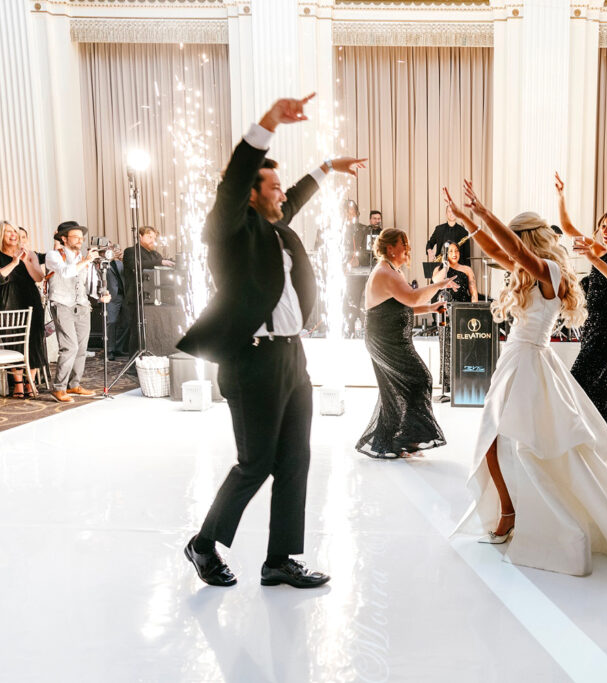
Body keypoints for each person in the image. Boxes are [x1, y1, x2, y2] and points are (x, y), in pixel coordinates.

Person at [178, 93, 366, 589]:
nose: (283, 194)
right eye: (273, 187)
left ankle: (279, 559)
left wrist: (326, 167)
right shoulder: (230, 230)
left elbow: (296, 196)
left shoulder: (276, 230)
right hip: (252, 360)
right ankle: (203, 544)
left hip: (291, 358)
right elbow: (237, 175)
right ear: (249, 194)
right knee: (255, 463)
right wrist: (268, 124)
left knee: (295, 459)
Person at [449, 181, 607, 576]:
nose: (512, 246)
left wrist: (482, 210)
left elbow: (510, 250)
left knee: (527, 445)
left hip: (529, 361)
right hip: (517, 358)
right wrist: (466, 219)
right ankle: (509, 510)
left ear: (528, 239)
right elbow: (500, 251)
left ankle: (521, 515)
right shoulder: (529, 269)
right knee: (494, 440)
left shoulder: (547, 269)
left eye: (518, 238)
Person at [555, 173, 607, 462]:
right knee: (599, 391)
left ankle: (592, 443)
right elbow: (567, 227)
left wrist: (593, 258)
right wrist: (562, 196)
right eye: (603, 226)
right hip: (593, 328)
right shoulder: (601, 249)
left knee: (577, 382)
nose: (604, 232)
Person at [356, 228, 454, 457]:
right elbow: (411, 298)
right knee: (420, 379)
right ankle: (408, 439)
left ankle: (398, 442)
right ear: (390, 248)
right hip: (385, 340)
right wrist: (439, 284)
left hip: (393, 338)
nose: (408, 249)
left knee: (395, 391)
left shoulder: (391, 270)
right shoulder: (384, 273)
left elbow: (403, 306)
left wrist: (430, 307)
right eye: (404, 244)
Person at [45, 221, 106, 403]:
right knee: (69, 346)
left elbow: (90, 281)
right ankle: (59, 388)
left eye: (82, 237)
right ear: (64, 238)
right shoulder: (53, 255)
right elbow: (65, 272)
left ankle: (74, 384)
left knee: (81, 348)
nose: (80, 240)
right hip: (62, 304)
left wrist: (101, 294)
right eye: (76, 237)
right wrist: (86, 261)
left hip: (82, 305)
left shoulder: (82, 257)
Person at [0, 221, 46, 397]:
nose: (13, 235)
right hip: (7, 303)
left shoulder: (30, 253)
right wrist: (14, 261)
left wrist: (27, 261)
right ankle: (18, 384)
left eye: (14, 232)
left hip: (30, 301)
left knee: (34, 341)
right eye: (8, 232)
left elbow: (39, 277)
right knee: (16, 341)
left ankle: (30, 382)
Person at [431, 240, 478, 400]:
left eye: (456, 251)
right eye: (450, 251)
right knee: (446, 346)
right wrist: (445, 266)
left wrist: (475, 309)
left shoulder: (466, 269)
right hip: (444, 311)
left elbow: (473, 291)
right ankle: (447, 383)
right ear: (446, 254)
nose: (454, 254)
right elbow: (436, 283)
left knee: (463, 345)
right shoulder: (439, 269)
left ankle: (462, 380)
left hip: (463, 311)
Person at [117, 226, 174, 356]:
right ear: (140, 236)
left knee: (153, 331)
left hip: (154, 299)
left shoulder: (156, 254)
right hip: (136, 298)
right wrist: (160, 262)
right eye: (149, 237)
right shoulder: (131, 252)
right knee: (137, 333)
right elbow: (135, 265)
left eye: (154, 238)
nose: (152, 240)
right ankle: (134, 364)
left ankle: (151, 359)